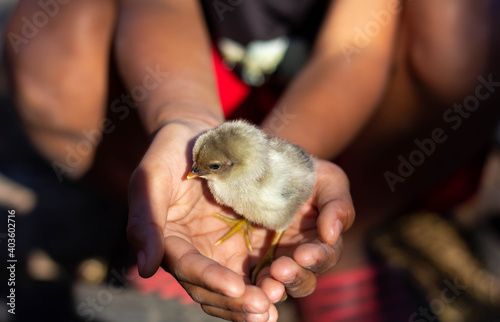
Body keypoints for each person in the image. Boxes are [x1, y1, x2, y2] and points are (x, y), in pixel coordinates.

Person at [5, 0, 497, 321]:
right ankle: (161, 211)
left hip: (350, 102)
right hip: (200, 77)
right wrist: (185, 120)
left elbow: (355, 50)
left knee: (465, 35)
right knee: (46, 41)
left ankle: (351, 229)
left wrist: (279, 163)